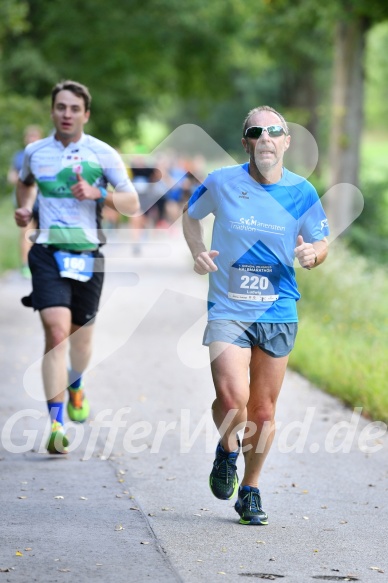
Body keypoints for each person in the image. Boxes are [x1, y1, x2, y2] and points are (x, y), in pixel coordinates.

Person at [182, 105, 329, 525]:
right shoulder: (221, 182)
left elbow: (321, 243)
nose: (266, 137)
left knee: (262, 412)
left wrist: (312, 254)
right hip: (229, 307)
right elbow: (190, 218)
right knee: (233, 400)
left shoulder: (302, 191)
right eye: (256, 131)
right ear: (245, 141)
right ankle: (227, 449)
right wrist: (197, 252)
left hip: (279, 309)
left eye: (275, 131)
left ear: (286, 141)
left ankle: (250, 489)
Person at [14, 80, 139, 454]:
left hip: (87, 254)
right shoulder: (36, 152)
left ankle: (76, 383)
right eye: (60, 107)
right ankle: (56, 423)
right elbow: (24, 186)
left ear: (86, 114)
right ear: (52, 111)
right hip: (47, 252)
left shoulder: (103, 154)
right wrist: (23, 210)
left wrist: (99, 193)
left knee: (80, 342)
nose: (66, 114)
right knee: (55, 333)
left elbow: (133, 203)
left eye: (74, 109)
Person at [8, 125, 43, 278]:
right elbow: (11, 177)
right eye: (30, 137)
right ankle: (25, 265)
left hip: (42, 201)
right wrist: (21, 180)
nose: (32, 139)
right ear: (25, 139)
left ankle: (38, 263)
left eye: (35, 137)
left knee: (39, 234)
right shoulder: (19, 156)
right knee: (26, 233)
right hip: (24, 200)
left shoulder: (45, 155)